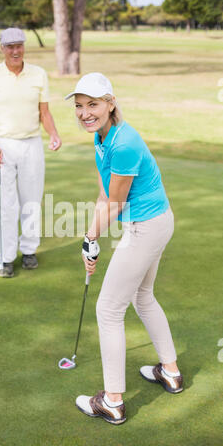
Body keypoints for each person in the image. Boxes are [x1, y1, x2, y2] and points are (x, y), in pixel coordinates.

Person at [65, 73, 183, 425]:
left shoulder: (124, 142)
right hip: (153, 222)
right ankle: (171, 372)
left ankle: (113, 401)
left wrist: (92, 236)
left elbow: (115, 204)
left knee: (108, 309)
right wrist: (91, 240)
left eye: (93, 105)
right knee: (142, 296)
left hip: (146, 227)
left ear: (111, 102)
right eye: (79, 106)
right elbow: (105, 194)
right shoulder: (103, 138)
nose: (85, 113)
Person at [0, 28, 61, 278]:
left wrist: (54, 134)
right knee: (4, 205)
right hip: (2, 145)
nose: (15, 50)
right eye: (10, 46)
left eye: (19, 45)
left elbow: (44, 112)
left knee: (32, 201)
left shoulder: (38, 74)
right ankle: (6, 258)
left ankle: (29, 251)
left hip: (32, 145)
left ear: (24, 46)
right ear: (2, 48)